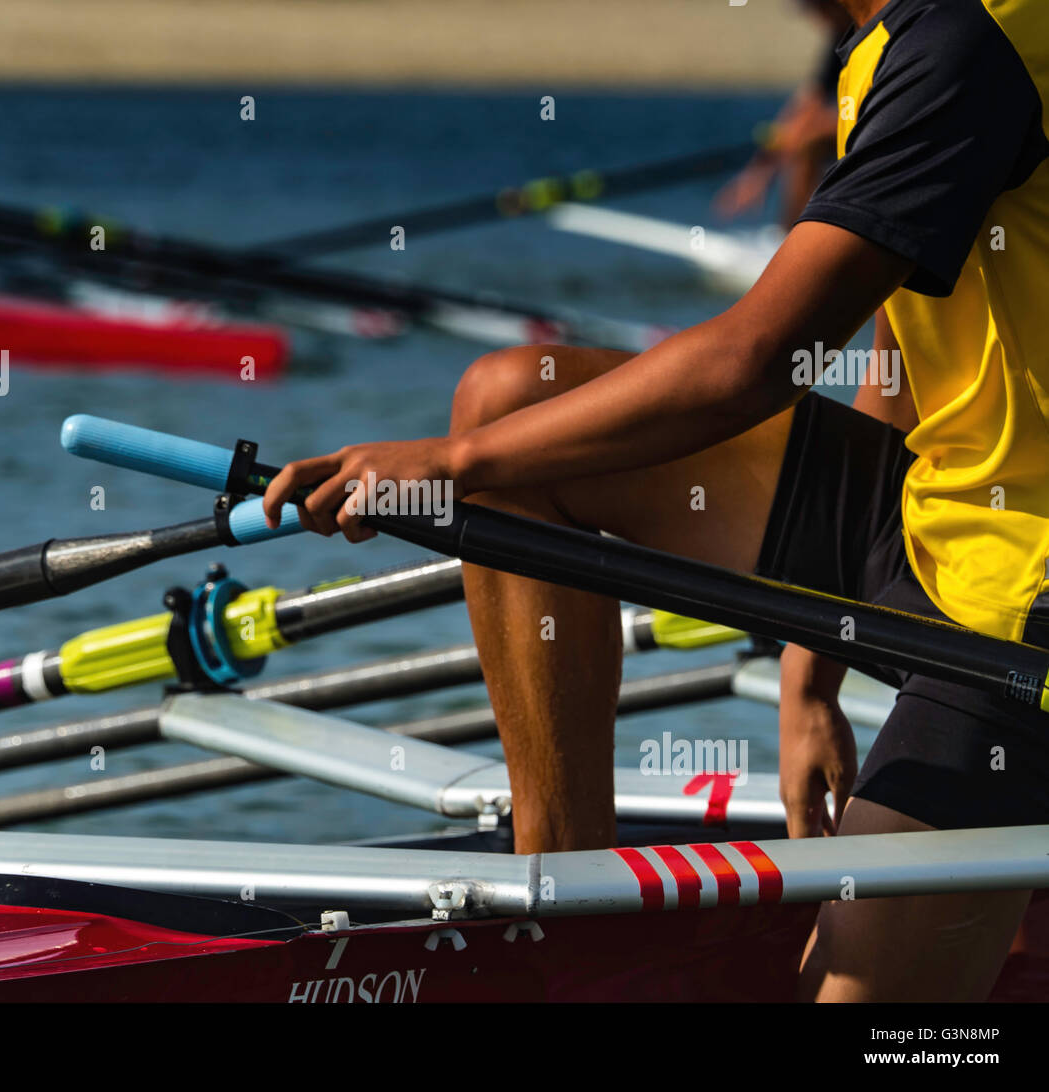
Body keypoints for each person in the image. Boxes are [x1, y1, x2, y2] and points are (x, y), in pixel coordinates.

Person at [261, 0, 1049, 1002]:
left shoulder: (967, 41)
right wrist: (814, 668)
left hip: (1020, 611)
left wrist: (447, 462)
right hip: (944, 514)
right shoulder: (887, 44)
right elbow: (895, 371)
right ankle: (569, 906)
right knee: (519, 408)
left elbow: (749, 362)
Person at [715, 0, 852, 228]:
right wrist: (759, 172)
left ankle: (798, 242)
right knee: (803, 134)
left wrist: (803, 133)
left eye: (814, 8)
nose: (814, 19)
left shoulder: (874, 29)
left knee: (809, 139)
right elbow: (804, 106)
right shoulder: (840, 37)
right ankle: (792, 237)